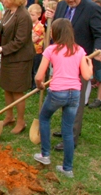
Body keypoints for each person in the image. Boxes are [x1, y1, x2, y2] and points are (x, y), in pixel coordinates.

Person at [45, 0, 101, 151]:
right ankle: (67, 129)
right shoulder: (62, 6)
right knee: (64, 97)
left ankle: (71, 137)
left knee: (75, 101)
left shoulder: (92, 9)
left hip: (81, 60)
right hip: (62, 61)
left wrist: (97, 53)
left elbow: (100, 34)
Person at [34, 19, 93, 178]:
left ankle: (45, 155)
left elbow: (39, 76)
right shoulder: (79, 50)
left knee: (44, 118)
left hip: (57, 91)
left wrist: (39, 85)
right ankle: (68, 169)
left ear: (55, 33)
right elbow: (87, 75)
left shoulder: (51, 50)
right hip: (74, 93)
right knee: (67, 130)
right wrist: (90, 65)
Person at [0, 0, 35, 134]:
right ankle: (9, 116)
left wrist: (2, 49)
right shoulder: (9, 12)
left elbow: (20, 40)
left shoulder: (24, 16)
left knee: (17, 90)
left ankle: (21, 121)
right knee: (7, 87)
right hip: (9, 57)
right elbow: (4, 30)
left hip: (20, 58)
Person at [29, 4, 44, 89]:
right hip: (31, 50)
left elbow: (34, 39)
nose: (30, 17)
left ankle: (35, 87)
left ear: (39, 15)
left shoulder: (39, 27)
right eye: (29, 14)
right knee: (30, 69)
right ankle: (30, 84)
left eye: (32, 15)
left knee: (36, 69)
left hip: (37, 51)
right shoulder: (30, 25)